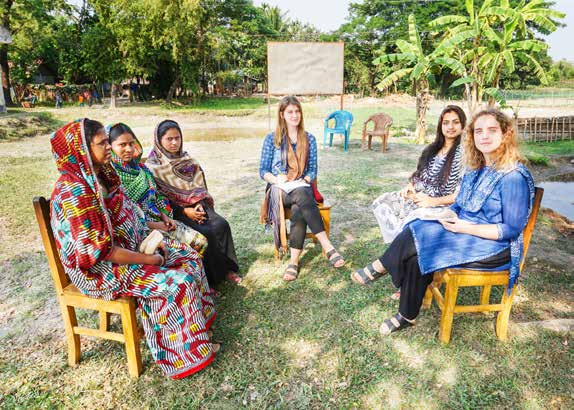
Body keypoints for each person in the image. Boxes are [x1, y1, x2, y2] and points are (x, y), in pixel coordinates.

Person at [49, 118, 218, 379]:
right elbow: (102, 252)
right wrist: (151, 260)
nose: (108, 148)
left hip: (130, 247)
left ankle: (197, 331)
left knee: (190, 256)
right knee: (177, 282)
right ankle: (182, 354)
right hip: (101, 270)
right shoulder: (75, 192)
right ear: (82, 148)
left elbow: (133, 216)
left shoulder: (102, 175)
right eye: (102, 143)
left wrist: (158, 226)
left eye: (108, 141)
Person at [351, 109, 535, 335]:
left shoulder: (513, 176)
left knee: (423, 237)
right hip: (467, 233)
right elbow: (459, 205)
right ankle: (406, 315)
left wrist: (465, 227)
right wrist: (443, 215)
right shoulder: (477, 170)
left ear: (506, 134)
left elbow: (511, 229)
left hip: (494, 247)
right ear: (473, 137)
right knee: (419, 226)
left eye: (492, 130)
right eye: (479, 131)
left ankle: (380, 268)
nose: (484, 136)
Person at [366, 105, 467, 300]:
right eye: (446, 122)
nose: (451, 127)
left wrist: (431, 201)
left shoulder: (463, 154)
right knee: (384, 202)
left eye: (456, 122)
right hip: (420, 197)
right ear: (440, 125)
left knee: (411, 226)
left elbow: (458, 195)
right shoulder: (433, 148)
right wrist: (410, 186)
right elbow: (420, 176)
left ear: (462, 126)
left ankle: (402, 276)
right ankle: (400, 263)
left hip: (440, 205)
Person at [259, 95, 346, 281]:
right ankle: (328, 246)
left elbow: (312, 169)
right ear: (282, 114)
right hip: (279, 190)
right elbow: (262, 171)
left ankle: (294, 262)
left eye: (297, 111)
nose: (294, 115)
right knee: (303, 194)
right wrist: (276, 179)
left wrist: (305, 178)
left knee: (300, 205)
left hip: (300, 188)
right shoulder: (272, 139)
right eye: (290, 112)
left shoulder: (309, 139)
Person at [146, 119, 242, 286]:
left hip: (199, 205)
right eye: (169, 139)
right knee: (205, 233)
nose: (175, 142)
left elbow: (198, 186)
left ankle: (228, 268)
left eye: (177, 138)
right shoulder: (153, 167)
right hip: (174, 212)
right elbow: (161, 198)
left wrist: (199, 202)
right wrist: (185, 211)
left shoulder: (188, 159)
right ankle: (213, 279)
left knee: (222, 225)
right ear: (159, 140)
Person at [107, 123, 208, 258]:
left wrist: (165, 216)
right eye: (122, 145)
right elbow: (126, 215)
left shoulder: (142, 169)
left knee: (201, 243)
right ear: (110, 147)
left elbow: (156, 196)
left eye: (131, 143)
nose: (129, 149)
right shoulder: (112, 177)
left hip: (160, 220)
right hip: (138, 232)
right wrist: (155, 225)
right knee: (188, 255)